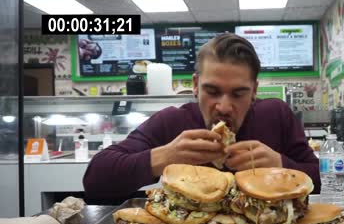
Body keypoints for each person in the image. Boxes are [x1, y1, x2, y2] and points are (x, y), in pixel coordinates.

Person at [83, 33, 320, 199]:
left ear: (255, 91)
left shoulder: (276, 115)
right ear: (196, 85)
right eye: (212, 91)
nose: (224, 107)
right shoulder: (172, 122)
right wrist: (165, 156)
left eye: (238, 93)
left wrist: (281, 165)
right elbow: (95, 181)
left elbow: (322, 182)